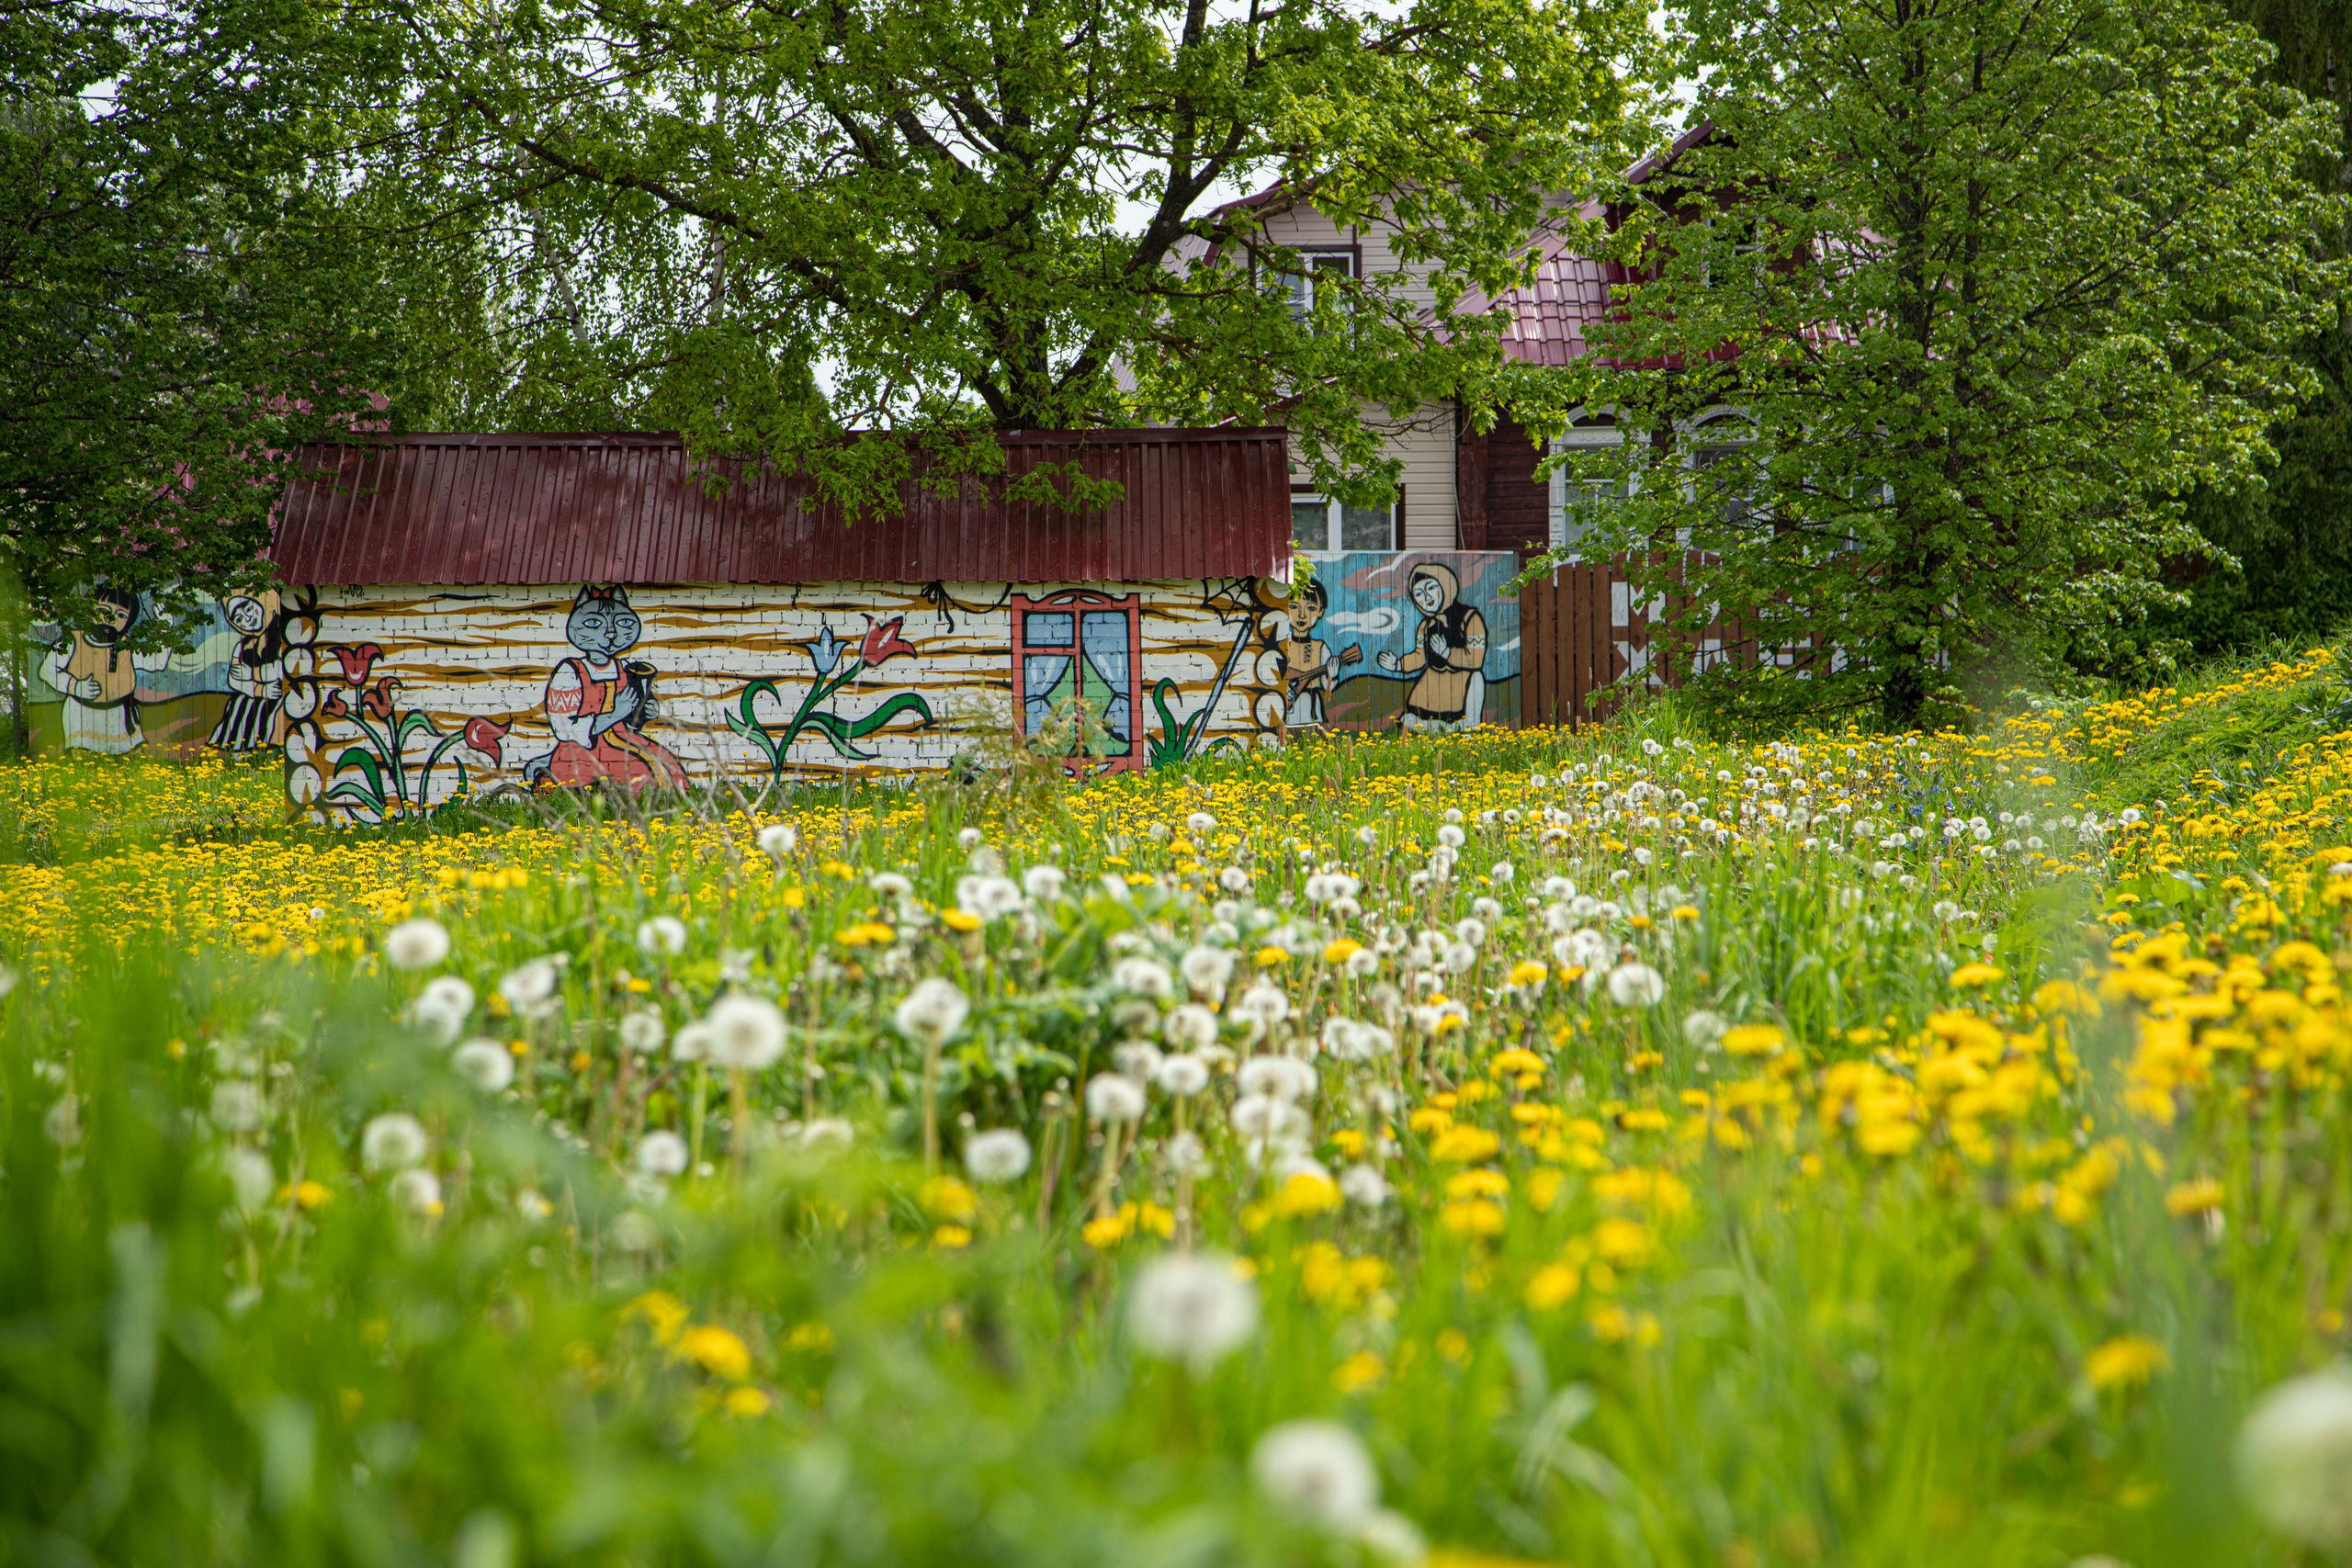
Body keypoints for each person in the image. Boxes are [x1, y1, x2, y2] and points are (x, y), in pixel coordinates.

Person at [521, 585, 689, 788]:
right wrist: (616, 714)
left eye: (622, 623)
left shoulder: (623, 668)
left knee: (668, 767)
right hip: (583, 748)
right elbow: (564, 729)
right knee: (640, 777)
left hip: (623, 739)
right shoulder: (570, 670)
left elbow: (631, 718)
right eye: (593, 623)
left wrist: (645, 711)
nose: (610, 633)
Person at [43, 589, 167, 755]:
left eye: (121, 616)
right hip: (81, 714)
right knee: (83, 761)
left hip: (121, 714)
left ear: (128, 622)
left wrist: (165, 628)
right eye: (103, 611)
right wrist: (75, 686)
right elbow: (48, 671)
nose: (111, 620)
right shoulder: (72, 640)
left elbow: (156, 662)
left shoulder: (127, 645)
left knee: (131, 763)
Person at [1376, 561, 1487, 731]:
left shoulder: (1469, 618)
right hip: (1432, 682)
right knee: (1418, 728)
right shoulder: (1426, 626)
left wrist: (1447, 652)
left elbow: (1476, 659)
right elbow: (1420, 657)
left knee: (1460, 731)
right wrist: (1398, 665)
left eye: (1430, 588)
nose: (1426, 597)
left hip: (1464, 682)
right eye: (1419, 594)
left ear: (1444, 585)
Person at [1279, 578, 1362, 729]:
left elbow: (1327, 687)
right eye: (1293, 606)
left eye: (1310, 608)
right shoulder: (1282, 645)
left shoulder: (1321, 647)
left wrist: (1332, 674)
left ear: (1321, 611)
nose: (1301, 615)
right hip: (1287, 704)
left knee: (1312, 736)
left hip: (1312, 704)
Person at [209, 592, 287, 751]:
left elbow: (276, 671)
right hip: (255, 694)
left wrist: (249, 674)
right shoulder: (243, 645)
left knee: (261, 710)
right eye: (238, 619)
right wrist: (260, 689)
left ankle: (254, 750)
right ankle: (236, 750)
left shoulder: (280, 634)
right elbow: (233, 679)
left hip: (275, 696)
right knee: (238, 704)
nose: (246, 618)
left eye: (248, 609)